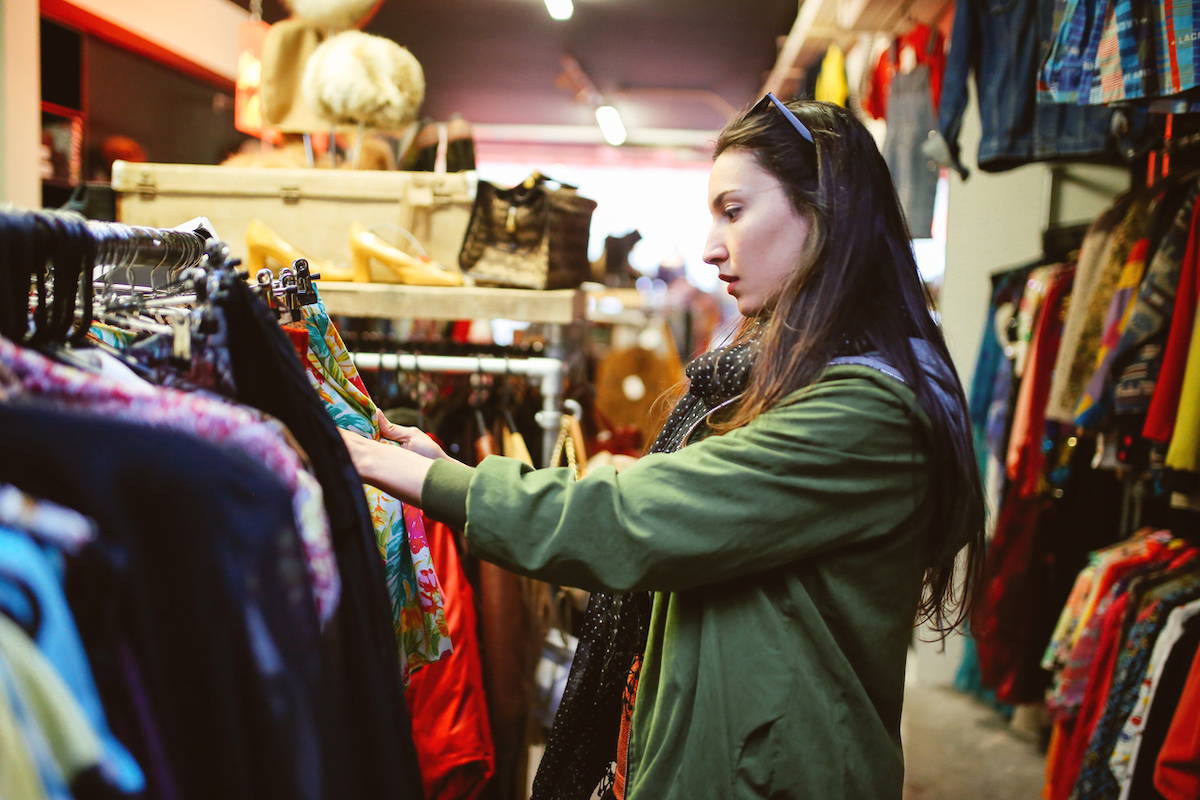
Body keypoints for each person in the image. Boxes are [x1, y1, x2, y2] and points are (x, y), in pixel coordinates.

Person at [341, 96, 986, 800]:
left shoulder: (863, 412)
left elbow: (633, 519)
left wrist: (422, 477)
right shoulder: (792, 376)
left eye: (733, 211)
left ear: (822, 211)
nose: (711, 248)